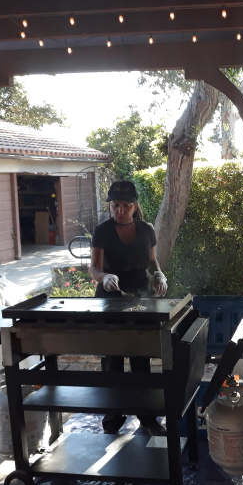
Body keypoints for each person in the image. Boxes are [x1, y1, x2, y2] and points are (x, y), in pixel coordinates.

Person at [88, 180, 168, 436]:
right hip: (111, 296)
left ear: (134, 206)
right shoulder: (102, 230)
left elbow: (153, 263)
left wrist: (159, 276)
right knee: (112, 359)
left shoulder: (146, 230)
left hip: (139, 297)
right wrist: (104, 277)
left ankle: (146, 417)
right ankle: (112, 420)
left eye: (125, 205)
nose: (119, 210)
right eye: (115, 205)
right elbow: (94, 268)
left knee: (140, 357)